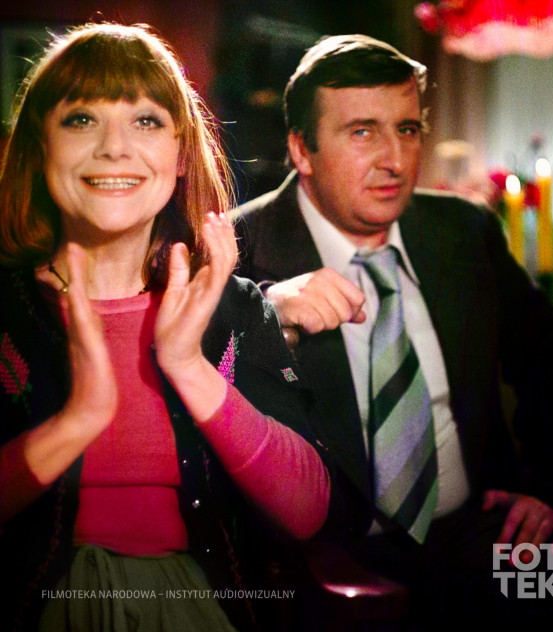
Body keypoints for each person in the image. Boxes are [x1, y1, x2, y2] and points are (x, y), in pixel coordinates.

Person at [233, 34, 553, 620]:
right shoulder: (235, 250)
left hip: (483, 535)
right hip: (324, 560)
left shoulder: (463, 230)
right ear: (302, 149)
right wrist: (264, 317)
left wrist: (546, 490)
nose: (396, 160)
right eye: (362, 132)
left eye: (407, 129)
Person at [0, 23, 332, 632]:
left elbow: (309, 511)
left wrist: (187, 366)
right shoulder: (5, 311)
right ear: (40, 146)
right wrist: (79, 419)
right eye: (82, 119)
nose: (114, 148)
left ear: (181, 156)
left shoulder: (231, 309)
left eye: (146, 121)